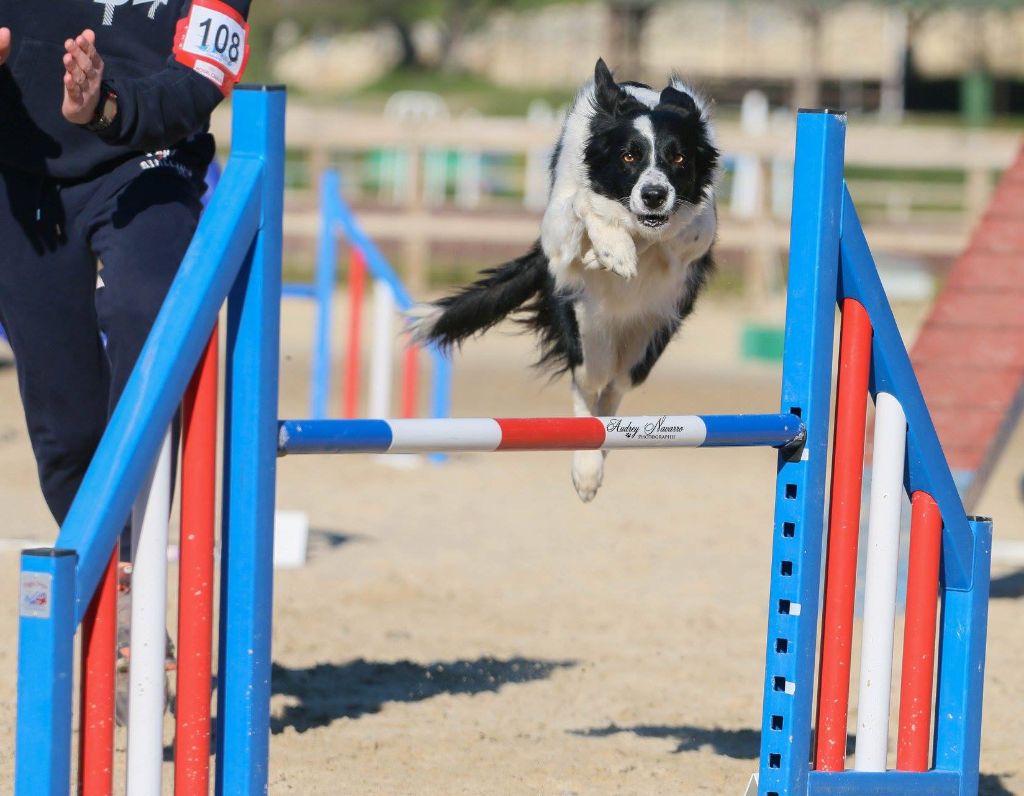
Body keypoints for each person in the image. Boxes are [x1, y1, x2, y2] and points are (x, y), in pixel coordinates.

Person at [0, 0, 251, 718]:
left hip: (147, 157)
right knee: (66, 431)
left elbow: (199, 82)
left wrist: (105, 106)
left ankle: (132, 582)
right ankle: (113, 584)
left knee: (147, 303)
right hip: (19, 171)